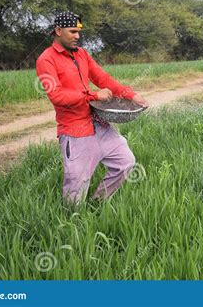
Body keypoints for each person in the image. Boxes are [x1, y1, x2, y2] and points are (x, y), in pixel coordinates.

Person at [36, 11, 149, 205]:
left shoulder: (82, 54)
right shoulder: (46, 60)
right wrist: (93, 95)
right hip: (74, 131)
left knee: (125, 163)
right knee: (75, 193)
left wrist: (132, 95)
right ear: (58, 31)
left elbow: (103, 79)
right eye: (73, 31)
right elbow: (57, 96)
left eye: (79, 32)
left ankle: (97, 204)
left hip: (98, 124)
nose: (78, 36)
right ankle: (72, 224)